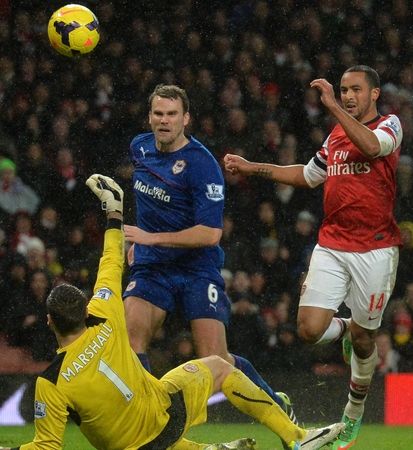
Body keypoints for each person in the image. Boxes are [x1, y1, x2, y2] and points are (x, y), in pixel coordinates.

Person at [0, 174, 345, 450]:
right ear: (84, 310)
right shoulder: (104, 313)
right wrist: (115, 211)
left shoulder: (50, 383)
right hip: (164, 416)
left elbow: (46, 446)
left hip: (131, 447)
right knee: (219, 367)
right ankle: (296, 438)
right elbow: (110, 260)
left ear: (49, 322)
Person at [225, 64, 404, 450]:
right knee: (307, 330)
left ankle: (353, 413)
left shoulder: (390, 125)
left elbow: (372, 148)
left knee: (366, 339)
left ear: (375, 94)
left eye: (356, 89)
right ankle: (343, 328)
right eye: (342, 90)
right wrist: (250, 167)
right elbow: (307, 175)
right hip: (333, 245)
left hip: (376, 249)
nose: (348, 96)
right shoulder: (336, 135)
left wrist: (332, 107)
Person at [119, 84, 296, 430]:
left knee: (216, 361)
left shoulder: (202, 166)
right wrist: (142, 243)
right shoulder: (139, 147)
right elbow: (151, 201)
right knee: (130, 338)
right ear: (149, 117)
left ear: (186, 119)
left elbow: (210, 234)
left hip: (196, 269)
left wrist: (149, 237)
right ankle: (148, 424)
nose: (164, 121)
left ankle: (275, 405)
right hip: (153, 267)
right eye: (158, 114)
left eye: (172, 114)